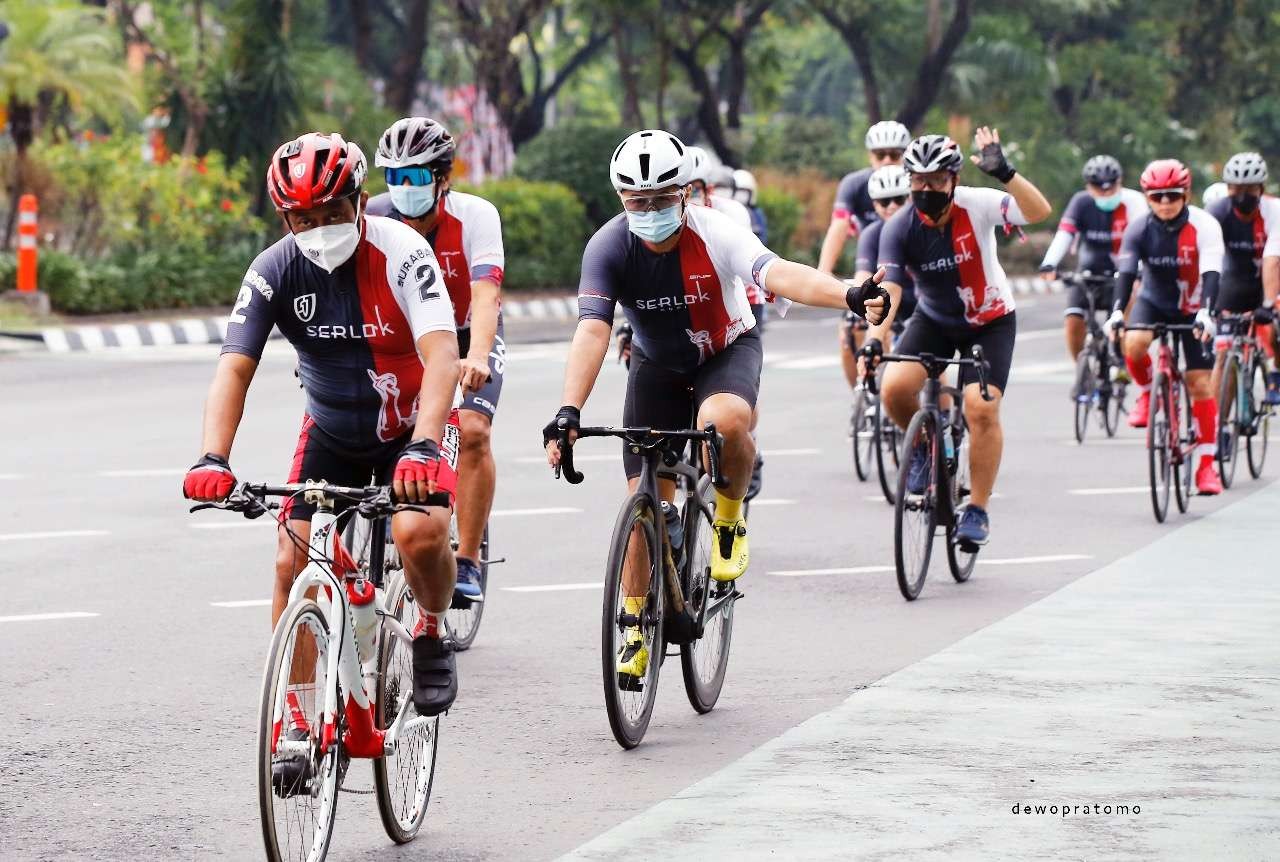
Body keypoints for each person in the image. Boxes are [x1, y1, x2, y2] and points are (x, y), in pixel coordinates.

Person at [542, 128, 888, 683]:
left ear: (685, 194)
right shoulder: (608, 247)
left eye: (660, 200)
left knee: (722, 422)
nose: (649, 212)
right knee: (642, 509)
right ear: (621, 200)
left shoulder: (716, 231)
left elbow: (779, 275)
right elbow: (592, 330)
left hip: (725, 351)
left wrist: (847, 294)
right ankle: (633, 626)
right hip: (656, 368)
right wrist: (568, 411)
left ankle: (729, 520)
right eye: (637, 202)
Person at [181, 133, 463, 792]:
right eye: (301, 219)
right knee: (291, 559)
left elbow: (443, 356)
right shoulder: (274, 269)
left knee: (418, 533)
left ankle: (428, 626)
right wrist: (212, 456)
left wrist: (424, 443)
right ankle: (299, 722)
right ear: (285, 220)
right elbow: (233, 369)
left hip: (412, 428)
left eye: (331, 213)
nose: (317, 230)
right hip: (331, 431)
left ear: (360, 202)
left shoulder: (403, 252)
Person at [865, 129, 1052, 547]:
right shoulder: (898, 229)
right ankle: (927, 448)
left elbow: (1038, 212)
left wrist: (1005, 172)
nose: (926, 189)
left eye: (935, 181)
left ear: (953, 179)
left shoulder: (977, 204)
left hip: (990, 321)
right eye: (918, 181)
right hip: (935, 320)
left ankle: (978, 509)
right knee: (894, 389)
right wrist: (874, 341)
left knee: (980, 408)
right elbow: (889, 292)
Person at [367, 117, 505, 602]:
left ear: (443, 178)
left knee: (471, 431)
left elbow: (486, 296)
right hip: (405, 340)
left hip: (467, 335)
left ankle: (466, 558)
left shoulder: (477, 216)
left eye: (417, 177)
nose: (404, 188)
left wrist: (479, 356)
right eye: (395, 177)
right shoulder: (375, 216)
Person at [1103, 158, 1226, 494]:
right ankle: (1146, 392)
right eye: (1157, 197)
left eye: (1173, 195)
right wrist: (1116, 311)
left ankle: (1206, 466)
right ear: (1147, 197)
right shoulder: (1139, 228)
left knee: (1200, 383)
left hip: (1194, 306)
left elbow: (1212, 272)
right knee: (1133, 342)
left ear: (1186, 194)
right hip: (1155, 300)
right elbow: (1126, 274)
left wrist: (1207, 312)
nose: (1166, 203)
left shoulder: (1205, 224)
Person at [822, 121, 911, 385]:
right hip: (874, 266)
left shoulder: (915, 183)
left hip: (912, 271)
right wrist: (822, 274)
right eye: (879, 155)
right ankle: (862, 395)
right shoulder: (854, 184)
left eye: (894, 154)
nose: (886, 161)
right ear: (870, 155)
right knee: (851, 327)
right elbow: (839, 226)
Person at [1038, 155, 1147, 362]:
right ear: (1089, 187)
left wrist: (1140, 271)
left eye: (1110, 188)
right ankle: (1081, 369)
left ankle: (1121, 365)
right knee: (1072, 320)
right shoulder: (1081, 202)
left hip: (1122, 274)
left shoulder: (1134, 202)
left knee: (1123, 317)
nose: (1105, 193)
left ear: (1119, 183)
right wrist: (1049, 263)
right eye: (1099, 188)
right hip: (1088, 273)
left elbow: (1142, 242)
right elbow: (1065, 233)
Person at [1205, 151, 1280, 404]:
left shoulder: (1274, 211)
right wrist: (1206, 303)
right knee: (1224, 354)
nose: (1242, 196)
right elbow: (1207, 257)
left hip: (1272, 276)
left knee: (1275, 329)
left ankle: (1276, 373)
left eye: (1249, 190)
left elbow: (1273, 260)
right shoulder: (1216, 212)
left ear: (1261, 189)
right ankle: (1220, 433)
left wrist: (1269, 304)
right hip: (1235, 280)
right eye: (1236, 189)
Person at [844, 164, 915, 388]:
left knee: (926, 361)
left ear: (910, 198)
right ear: (874, 204)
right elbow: (863, 277)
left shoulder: (920, 229)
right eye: (884, 201)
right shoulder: (871, 234)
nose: (892, 206)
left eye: (899, 199)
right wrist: (857, 300)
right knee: (860, 334)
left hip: (919, 303)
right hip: (887, 302)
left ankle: (940, 413)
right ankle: (867, 392)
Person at [731, 168, 769, 244]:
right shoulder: (725, 211)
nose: (740, 195)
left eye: (744, 191)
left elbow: (763, 238)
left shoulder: (756, 213)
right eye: (738, 191)